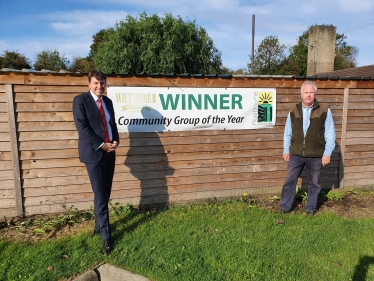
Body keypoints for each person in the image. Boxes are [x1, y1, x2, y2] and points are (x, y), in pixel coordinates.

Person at [72, 70, 119, 254]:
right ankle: (106, 238)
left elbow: (112, 125)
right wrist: (102, 145)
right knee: (100, 196)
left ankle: (98, 226)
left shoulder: (108, 102)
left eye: (102, 83)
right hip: (94, 154)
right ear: (89, 84)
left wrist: (115, 141)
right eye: (96, 83)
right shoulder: (80, 100)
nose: (100, 86)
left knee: (104, 194)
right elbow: (82, 128)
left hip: (110, 153)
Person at [280, 81, 336, 215]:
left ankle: (310, 209)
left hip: (316, 155)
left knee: (314, 184)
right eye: (306, 92)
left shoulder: (323, 110)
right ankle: (285, 207)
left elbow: (330, 132)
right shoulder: (294, 110)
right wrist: (286, 149)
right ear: (301, 94)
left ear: (315, 94)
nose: (309, 95)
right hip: (296, 154)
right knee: (289, 181)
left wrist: (327, 153)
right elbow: (288, 131)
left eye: (311, 92)